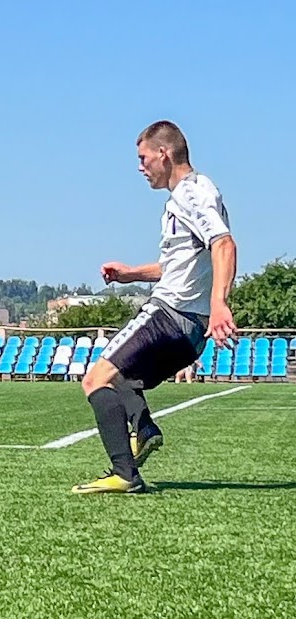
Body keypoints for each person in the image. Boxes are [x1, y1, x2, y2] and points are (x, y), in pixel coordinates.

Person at [72, 121, 237, 494]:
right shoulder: (192, 195)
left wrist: (219, 303)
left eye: (143, 158)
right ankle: (144, 430)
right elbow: (181, 265)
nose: (140, 167)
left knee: (95, 379)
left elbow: (223, 244)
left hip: (169, 315)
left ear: (163, 153)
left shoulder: (189, 195)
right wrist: (133, 274)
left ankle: (125, 474)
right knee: (121, 378)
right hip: (189, 331)